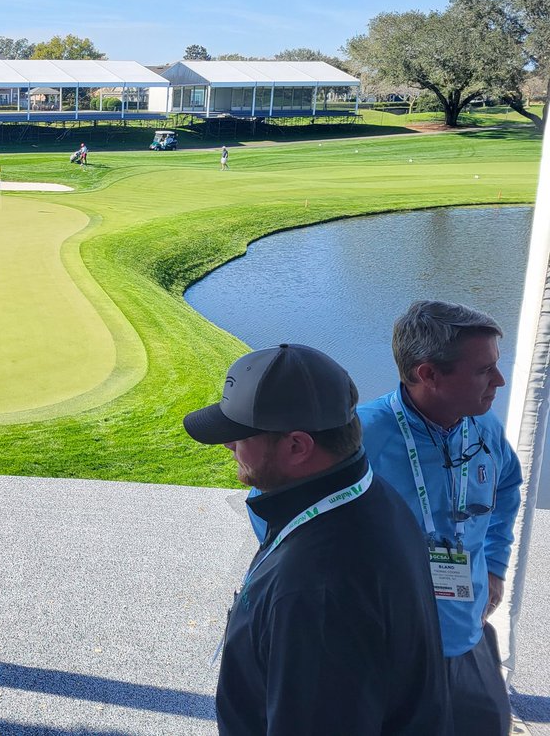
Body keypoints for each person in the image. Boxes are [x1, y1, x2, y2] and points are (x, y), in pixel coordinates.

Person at [184, 343, 449, 736]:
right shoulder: (372, 497)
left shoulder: (316, 591)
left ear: (297, 446)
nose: (228, 445)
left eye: (240, 435)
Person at [359, 300, 521, 735]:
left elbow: (506, 487)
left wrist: (495, 565)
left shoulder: (482, 427)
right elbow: (283, 510)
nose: (500, 381)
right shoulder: (359, 437)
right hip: (386, 654)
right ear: (428, 374)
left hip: (466, 633)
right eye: (484, 370)